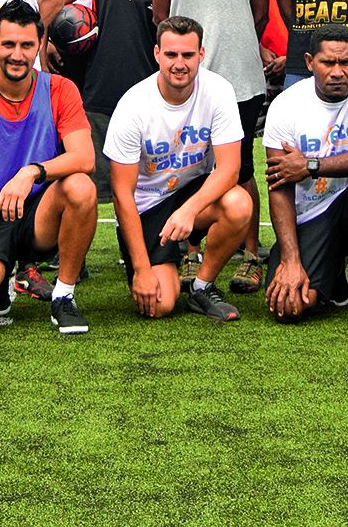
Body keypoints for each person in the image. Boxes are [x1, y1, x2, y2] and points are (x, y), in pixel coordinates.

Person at [0, 0, 98, 336]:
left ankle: (64, 296)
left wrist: (30, 173)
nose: (17, 54)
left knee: (81, 186)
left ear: (40, 44)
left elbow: (84, 158)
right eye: (9, 44)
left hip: (38, 217)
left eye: (27, 45)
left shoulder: (59, 89)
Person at [159, 0, 269, 289]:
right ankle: (190, 252)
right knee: (189, 166)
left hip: (240, 78)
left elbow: (258, 13)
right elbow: (161, 14)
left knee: (239, 169)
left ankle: (251, 254)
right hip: (186, 81)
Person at [104, 17, 250, 322]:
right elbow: (122, 195)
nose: (179, 64)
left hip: (191, 192)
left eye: (187, 55)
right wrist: (142, 270)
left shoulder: (219, 90)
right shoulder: (133, 105)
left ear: (201, 54)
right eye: (171, 55)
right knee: (160, 306)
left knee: (238, 204)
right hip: (147, 206)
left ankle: (202, 287)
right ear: (157, 54)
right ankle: (152, 264)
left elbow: (230, 168)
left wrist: (189, 210)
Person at [261, 26, 348, 332]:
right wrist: (291, 260)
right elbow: (279, 185)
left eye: (346, 63)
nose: (337, 72)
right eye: (328, 63)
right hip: (310, 214)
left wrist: (310, 165)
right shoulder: (285, 106)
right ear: (310, 62)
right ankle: (333, 277)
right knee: (290, 308)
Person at [57, 0, 167, 200]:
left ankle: (141, 241)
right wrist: (53, 41)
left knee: (148, 179)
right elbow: (55, 7)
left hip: (146, 83)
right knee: (96, 182)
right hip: (100, 86)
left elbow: (166, 23)